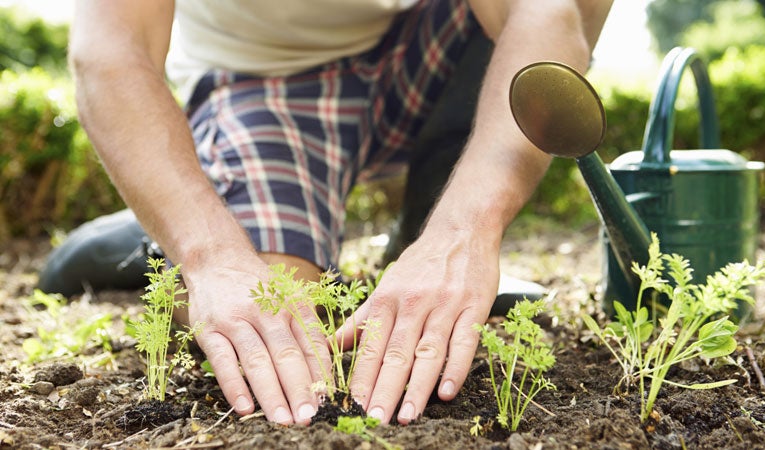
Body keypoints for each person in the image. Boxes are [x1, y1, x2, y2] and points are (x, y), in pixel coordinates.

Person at [61, 0, 612, 426]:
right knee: (276, 311)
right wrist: (210, 254)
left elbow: (547, 14)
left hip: (424, 49)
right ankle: (178, 216)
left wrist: (464, 230)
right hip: (267, 79)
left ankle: (424, 239)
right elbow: (110, 53)